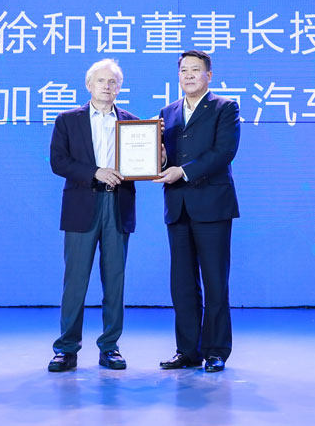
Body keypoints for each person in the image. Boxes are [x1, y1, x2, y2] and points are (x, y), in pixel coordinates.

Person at [47, 59, 138, 372]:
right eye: (101, 81)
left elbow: (144, 163)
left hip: (118, 205)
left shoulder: (133, 123)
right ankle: (66, 349)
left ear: (119, 87)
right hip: (82, 205)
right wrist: (95, 172)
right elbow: (58, 162)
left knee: (115, 280)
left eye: (112, 82)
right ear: (89, 85)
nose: (106, 86)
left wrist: (159, 156)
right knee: (75, 281)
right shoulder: (67, 120)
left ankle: (110, 347)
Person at [155, 50, 240, 373]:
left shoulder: (225, 108)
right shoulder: (168, 112)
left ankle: (216, 350)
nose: (188, 75)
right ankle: (187, 350)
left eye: (195, 70)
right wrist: (160, 159)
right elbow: (165, 158)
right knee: (182, 284)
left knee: (215, 282)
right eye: (183, 70)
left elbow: (223, 152)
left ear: (209, 75)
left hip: (212, 205)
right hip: (178, 206)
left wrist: (183, 171)